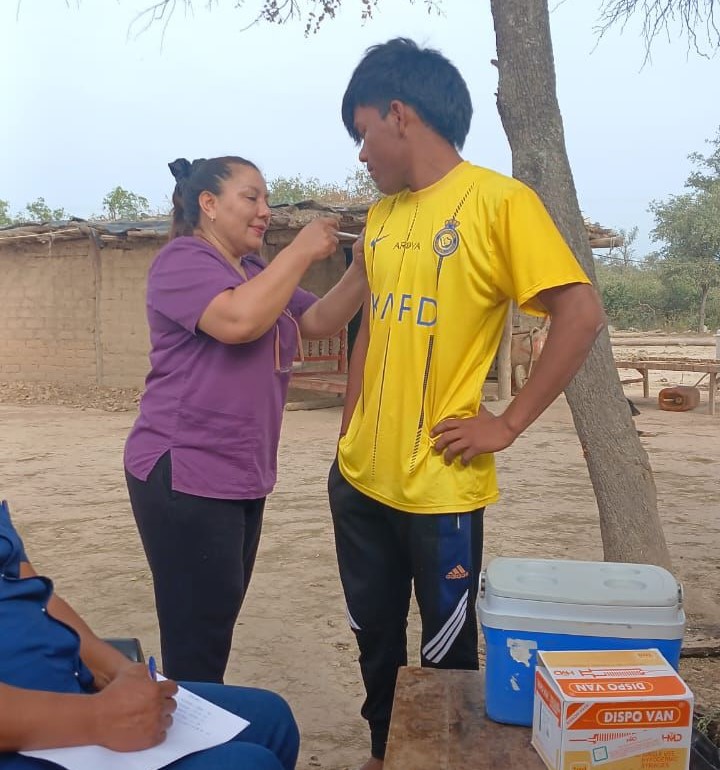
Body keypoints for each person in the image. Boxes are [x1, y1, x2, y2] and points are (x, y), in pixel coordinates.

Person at [328, 38, 605, 769]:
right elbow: (369, 329)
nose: (362, 155)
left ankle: (437, 759)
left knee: (447, 654)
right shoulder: (381, 219)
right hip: (358, 479)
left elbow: (579, 314)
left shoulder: (499, 202)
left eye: (363, 134)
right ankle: (384, 752)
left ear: (398, 114)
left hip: (440, 485)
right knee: (373, 638)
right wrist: (351, 425)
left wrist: (507, 423)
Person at [124, 156, 366, 684]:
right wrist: (300, 250)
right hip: (183, 470)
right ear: (208, 205)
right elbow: (237, 321)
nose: (265, 211)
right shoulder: (181, 261)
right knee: (198, 636)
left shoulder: (255, 271)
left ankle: (195, 727)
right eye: (251, 197)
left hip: (239, 472)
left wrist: (363, 265)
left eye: (267, 200)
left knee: (214, 621)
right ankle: (189, 743)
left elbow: (321, 320)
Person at [0, 499, 299, 770]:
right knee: (247, 764)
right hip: (26, 729)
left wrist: (118, 669)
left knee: (271, 719)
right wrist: (96, 718)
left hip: (66, 687)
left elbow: (33, 592)